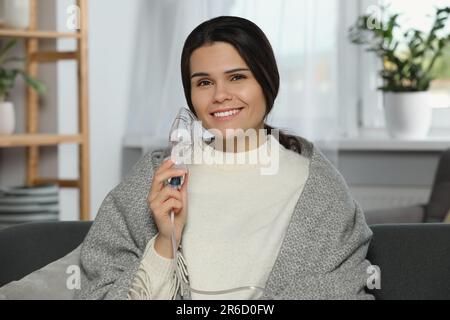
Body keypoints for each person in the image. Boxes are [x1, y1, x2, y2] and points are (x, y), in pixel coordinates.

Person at [76, 16, 374, 300]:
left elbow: (339, 289)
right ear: (190, 95)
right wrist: (166, 241)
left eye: (237, 77)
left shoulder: (318, 188)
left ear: (267, 83)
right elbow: (100, 287)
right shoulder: (156, 177)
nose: (220, 95)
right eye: (204, 83)